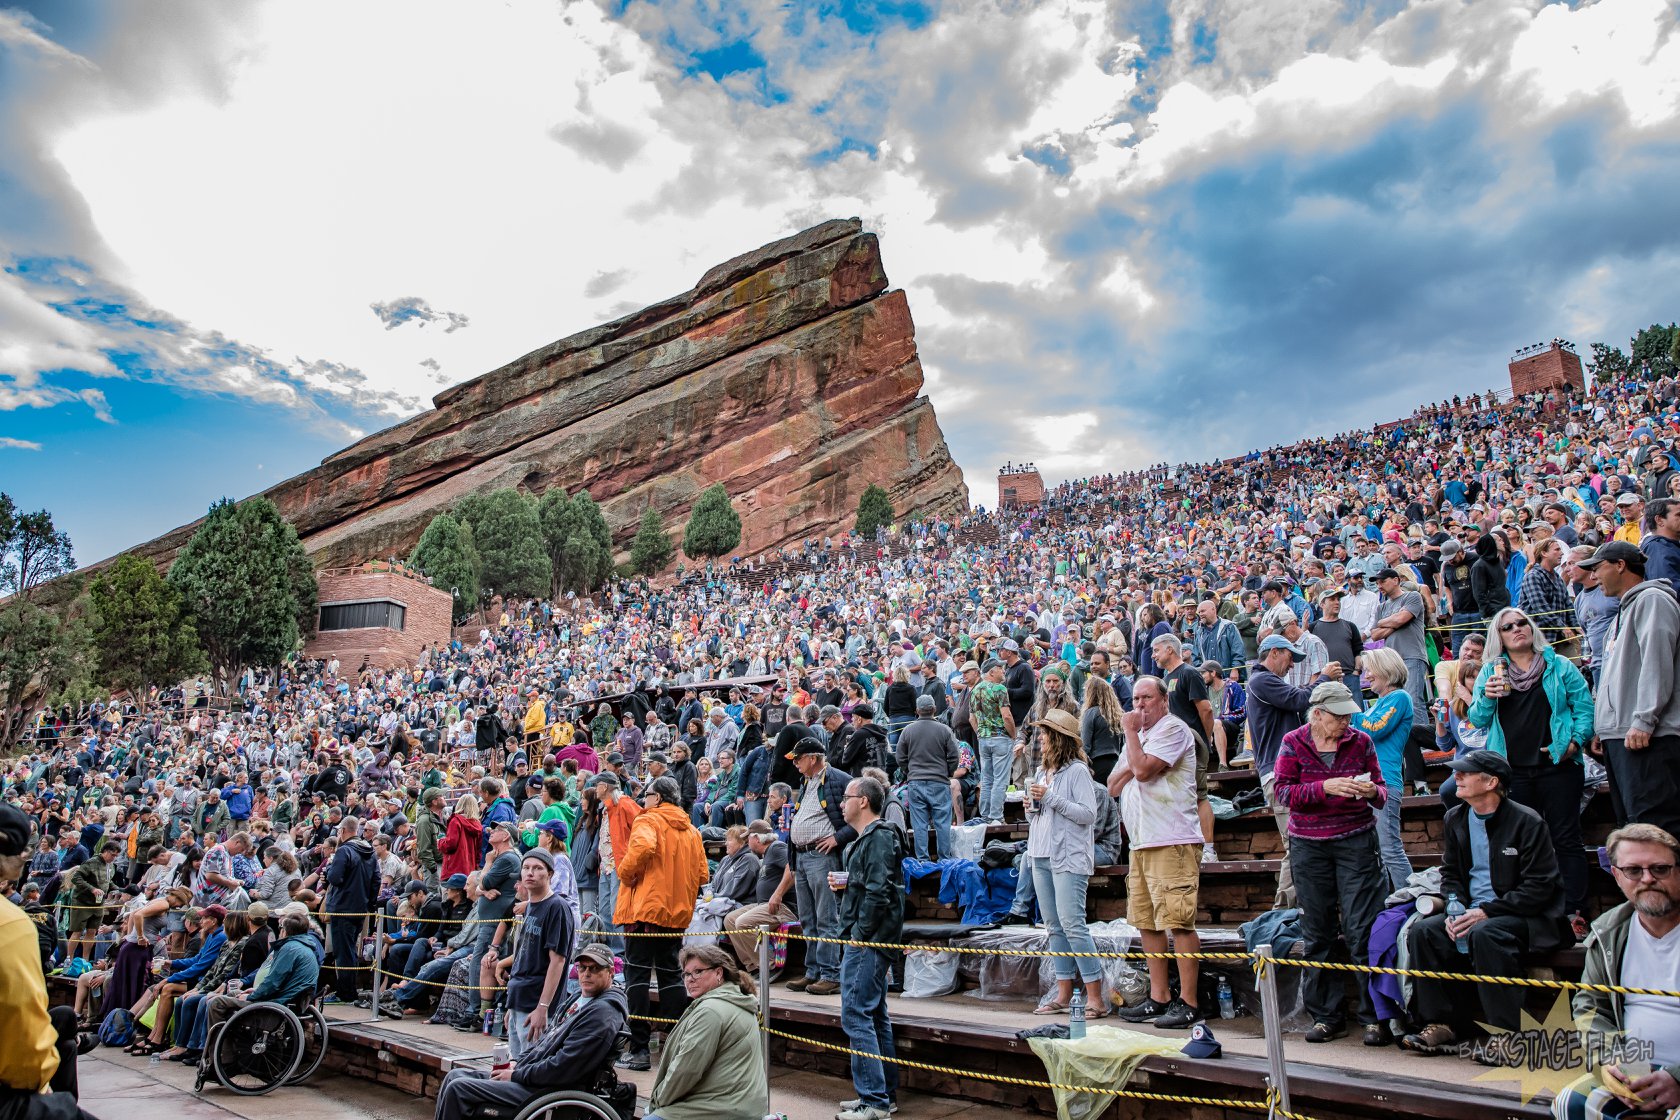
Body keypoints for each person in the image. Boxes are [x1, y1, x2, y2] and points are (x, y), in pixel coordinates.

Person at [1400, 751, 1568, 1054]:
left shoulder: (1527, 822)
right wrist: (1455, 908)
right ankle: (1441, 1024)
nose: (1457, 777)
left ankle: (1508, 1036)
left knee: (1485, 933)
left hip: (1525, 916)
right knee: (1424, 932)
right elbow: (1451, 874)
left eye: (1465, 772)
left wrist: (1486, 912)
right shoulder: (1455, 818)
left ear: (1491, 782)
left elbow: (1540, 888)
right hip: (1474, 911)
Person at [1273, 681, 1390, 1045]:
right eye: (1338, 716)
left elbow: (1383, 792)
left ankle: (1376, 1017)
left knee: (1362, 929)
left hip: (1356, 842)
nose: (1345, 722)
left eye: (1348, 715)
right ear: (1318, 714)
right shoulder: (1293, 742)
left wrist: (1371, 790)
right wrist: (1325, 788)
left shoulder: (1361, 742)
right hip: (1309, 846)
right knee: (1318, 932)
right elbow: (1282, 792)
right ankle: (1327, 1016)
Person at [1466, 605, 1595, 936]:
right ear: (1499, 636)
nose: (1516, 629)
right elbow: (1477, 719)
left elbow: (1584, 708)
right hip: (1513, 771)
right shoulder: (1491, 671)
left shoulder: (1559, 665)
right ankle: (1530, 912)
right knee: (1521, 843)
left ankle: (1575, 911)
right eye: (1507, 626)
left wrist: (1574, 743)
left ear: (1532, 627)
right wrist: (1488, 697)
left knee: (1566, 838)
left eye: (1521, 623)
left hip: (1558, 766)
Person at [1549, 823, 1680, 1120]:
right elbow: (1590, 1006)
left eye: (1660, 869)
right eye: (1633, 870)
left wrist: (1677, 1077)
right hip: (1635, 1070)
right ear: (1617, 876)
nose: (1648, 879)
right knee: (1570, 1102)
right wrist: (1612, 1061)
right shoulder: (1609, 932)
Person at [432, 943, 628, 1120]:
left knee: (459, 1089)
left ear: (611, 972)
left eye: (595, 969)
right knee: (454, 1076)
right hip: (534, 1079)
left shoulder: (603, 1013)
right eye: (582, 968)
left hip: (551, 1090)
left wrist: (517, 1075)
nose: (586, 974)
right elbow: (544, 1043)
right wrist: (518, 1063)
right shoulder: (578, 998)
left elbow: (564, 1066)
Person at [1110, 679, 1201, 1030]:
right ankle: (1159, 996)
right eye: (1135, 698)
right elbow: (1113, 785)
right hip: (1141, 841)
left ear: (1164, 699)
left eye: (1146, 697)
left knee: (1179, 921)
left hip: (1171, 838)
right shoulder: (1139, 738)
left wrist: (1132, 742)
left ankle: (1189, 1002)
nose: (1139, 704)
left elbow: (1143, 772)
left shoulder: (1173, 729)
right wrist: (1136, 757)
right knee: (1146, 922)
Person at [1580, 541, 1680, 836]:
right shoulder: (1621, 612)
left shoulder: (1653, 599)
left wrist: (1644, 719)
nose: (1593, 577)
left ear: (1620, 565)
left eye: (1597, 568)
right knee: (1633, 828)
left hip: (1649, 737)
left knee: (1655, 829)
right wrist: (1603, 727)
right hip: (1622, 735)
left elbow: (1656, 661)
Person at [614, 775, 708, 1071]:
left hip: (645, 910)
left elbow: (641, 849)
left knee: (637, 977)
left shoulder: (648, 820)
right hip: (676, 914)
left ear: (658, 798)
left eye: (647, 795)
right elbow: (703, 874)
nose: (644, 800)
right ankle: (675, 1046)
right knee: (671, 976)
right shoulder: (692, 830)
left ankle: (639, 1049)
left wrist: (625, 873)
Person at [1021, 708, 1106, 1020]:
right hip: (1040, 853)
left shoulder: (1078, 772)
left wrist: (1050, 798)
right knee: (1054, 927)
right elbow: (1038, 814)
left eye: (1045, 734)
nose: (1040, 739)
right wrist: (1031, 806)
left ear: (1059, 738)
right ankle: (1064, 993)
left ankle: (1095, 997)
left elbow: (1088, 814)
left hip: (1069, 856)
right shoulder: (1041, 773)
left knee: (1073, 924)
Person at [835, 775, 906, 1120]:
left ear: (863, 800)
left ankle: (874, 1101)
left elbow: (879, 891)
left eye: (846, 797)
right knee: (875, 1015)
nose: (841, 804)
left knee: (856, 1014)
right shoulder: (871, 838)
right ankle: (883, 1095)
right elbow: (871, 884)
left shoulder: (879, 836)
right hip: (871, 936)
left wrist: (860, 933)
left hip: (869, 940)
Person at [643, 944, 768, 1120]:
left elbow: (686, 1070)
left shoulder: (710, 1010)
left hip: (722, 1108)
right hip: (741, 1105)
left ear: (719, 973)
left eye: (698, 972)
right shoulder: (736, 999)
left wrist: (658, 1101)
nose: (690, 979)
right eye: (686, 974)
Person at [781, 739, 854, 997]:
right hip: (803, 856)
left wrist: (838, 838)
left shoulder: (840, 779)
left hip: (821, 857)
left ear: (813, 758)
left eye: (798, 758)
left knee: (826, 918)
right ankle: (813, 971)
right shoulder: (808, 781)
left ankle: (830, 974)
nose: (795, 763)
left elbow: (861, 815)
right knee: (808, 919)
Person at [500, 848, 576, 1061]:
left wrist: (543, 1008)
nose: (530, 873)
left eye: (537, 868)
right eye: (526, 868)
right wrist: (512, 1005)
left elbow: (557, 961)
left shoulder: (557, 907)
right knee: (516, 1066)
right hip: (519, 1001)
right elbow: (524, 955)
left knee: (531, 1067)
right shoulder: (531, 906)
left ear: (550, 874)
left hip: (537, 1005)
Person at [1355, 648, 1416, 892]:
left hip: (1385, 782)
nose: (1367, 676)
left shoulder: (1399, 697)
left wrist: (1348, 711)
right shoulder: (1379, 702)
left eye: (1370, 670)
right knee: (1374, 851)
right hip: (1366, 782)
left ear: (1386, 669)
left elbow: (1374, 728)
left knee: (1390, 849)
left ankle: (1412, 902)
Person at [895, 694, 961, 861]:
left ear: (917, 710)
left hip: (915, 782)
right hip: (939, 782)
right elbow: (955, 755)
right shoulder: (944, 730)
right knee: (943, 823)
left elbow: (900, 757)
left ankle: (923, 861)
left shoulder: (908, 730)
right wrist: (948, 772)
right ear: (934, 709)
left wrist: (909, 772)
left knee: (919, 824)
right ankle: (944, 859)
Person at [723, 820, 795, 966]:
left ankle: (768, 965)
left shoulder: (776, 847)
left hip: (783, 907)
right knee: (729, 920)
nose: (747, 842)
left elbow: (792, 867)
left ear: (756, 838)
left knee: (742, 923)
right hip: (764, 905)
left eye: (748, 838)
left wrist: (777, 894)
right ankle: (753, 965)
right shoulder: (766, 854)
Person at [969, 660, 1017, 823]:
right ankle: (996, 816)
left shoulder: (974, 690)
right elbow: (1007, 716)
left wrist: (980, 734)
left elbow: (971, 718)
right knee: (1000, 779)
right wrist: (1013, 735)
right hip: (1000, 737)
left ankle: (985, 816)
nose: (1003, 671)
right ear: (991, 672)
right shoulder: (999, 689)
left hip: (984, 738)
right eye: (1000, 668)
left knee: (987, 779)